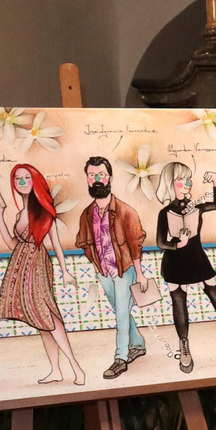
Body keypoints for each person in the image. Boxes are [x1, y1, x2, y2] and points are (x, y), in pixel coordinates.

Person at [0, 164, 85, 385]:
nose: (22, 182)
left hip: (37, 263)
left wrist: (65, 271)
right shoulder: (19, 213)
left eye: (26, 178)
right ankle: (55, 370)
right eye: (17, 179)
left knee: (48, 315)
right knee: (39, 320)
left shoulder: (43, 210)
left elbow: (56, 244)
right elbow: (12, 244)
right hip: (21, 263)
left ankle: (76, 367)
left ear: (35, 181)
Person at [155, 162, 216, 374]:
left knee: (213, 292)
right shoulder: (164, 212)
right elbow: (160, 242)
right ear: (170, 184)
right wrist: (177, 244)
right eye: (182, 180)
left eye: (188, 179)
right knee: (178, 298)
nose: (187, 184)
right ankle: (183, 345)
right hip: (174, 260)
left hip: (196, 256)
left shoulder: (196, 206)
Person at [76, 157, 148, 380]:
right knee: (121, 309)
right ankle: (138, 343)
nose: (96, 180)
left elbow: (136, 243)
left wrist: (140, 273)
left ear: (109, 178)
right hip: (103, 271)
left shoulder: (125, 211)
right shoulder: (87, 214)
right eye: (92, 175)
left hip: (124, 269)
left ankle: (121, 358)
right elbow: (84, 242)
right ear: (87, 180)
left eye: (101, 175)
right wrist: (97, 265)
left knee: (121, 314)